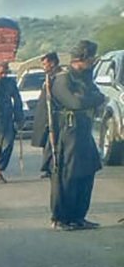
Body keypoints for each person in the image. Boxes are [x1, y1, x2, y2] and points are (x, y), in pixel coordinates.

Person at [46, 40, 107, 230]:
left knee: (86, 174)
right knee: (67, 178)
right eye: (90, 59)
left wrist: (89, 99)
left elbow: (99, 97)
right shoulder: (63, 79)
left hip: (84, 132)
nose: (92, 63)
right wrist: (90, 99)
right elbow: (75, 103)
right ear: (82, 59)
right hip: (67, 135)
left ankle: (78, 216)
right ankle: (61, 218)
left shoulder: (84, 79)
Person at [28, 51, 61, 178]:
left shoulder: (59, 77)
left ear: (52, 63)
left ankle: (52, 167)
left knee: (52, 143)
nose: (44, 66)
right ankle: (49, 168)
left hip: (54, 117)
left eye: (45, 63)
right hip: (45, 116)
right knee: (46, 142)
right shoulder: (49, 76)